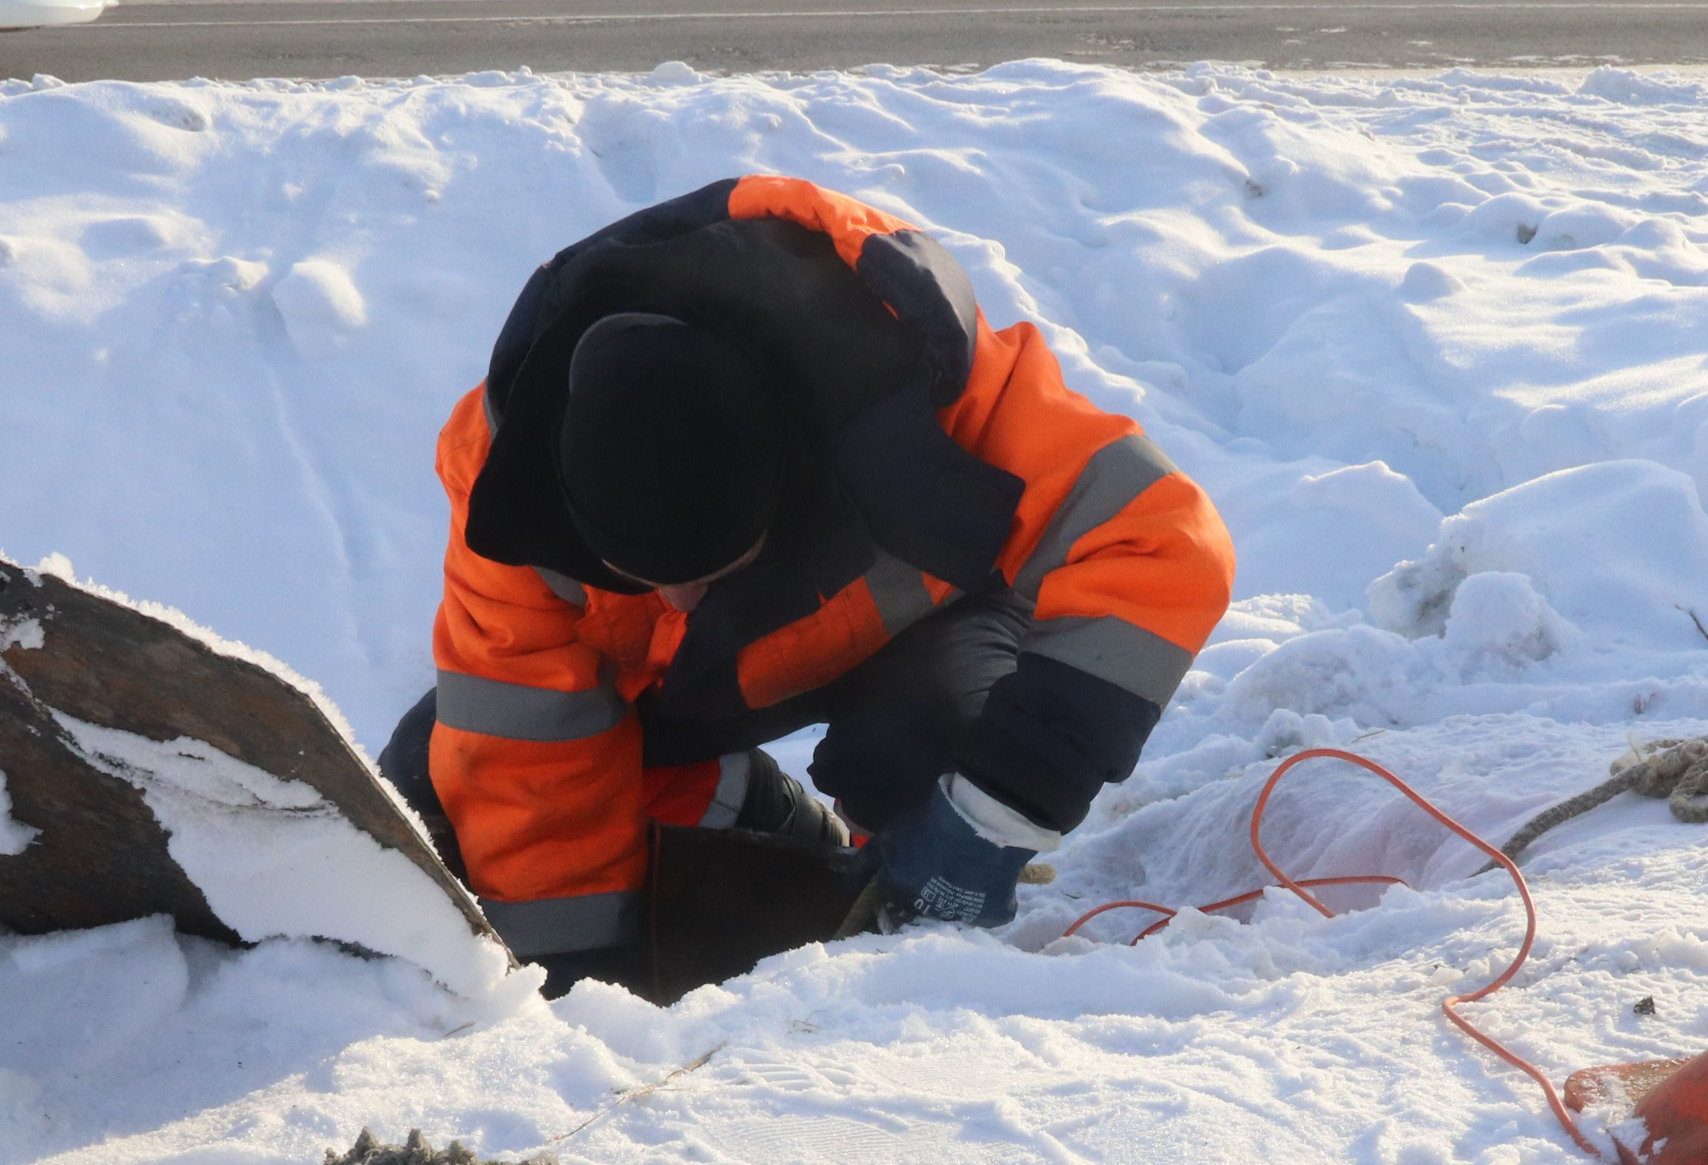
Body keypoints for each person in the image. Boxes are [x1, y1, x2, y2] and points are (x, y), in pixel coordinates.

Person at [377, 176, 1235, 994]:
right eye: (645, 581)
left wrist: (998, 810)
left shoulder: (926, 389)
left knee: (922, 729)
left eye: (710, 571)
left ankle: (913, 913)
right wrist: (577, 988)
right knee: (438, 786)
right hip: (702, 679)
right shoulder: (507, 485)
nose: (676, 602)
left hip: (916, 640)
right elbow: (527, 762)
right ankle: (757, 817)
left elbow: (1164, 542)